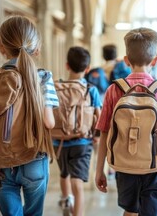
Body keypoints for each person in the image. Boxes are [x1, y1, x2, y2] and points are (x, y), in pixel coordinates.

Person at [95, 27, 157, 216]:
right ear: (155, 60)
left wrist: (99, 171)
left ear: (126, 61)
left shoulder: (115, 90)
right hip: (156, 165)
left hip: (124, 165)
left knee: (130, 210)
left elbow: (104, 132)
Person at [0, 16, 58, 215]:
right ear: (36, 49)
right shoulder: (44, 77)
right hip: (34, 157)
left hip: (1, 160)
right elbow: (49, 122)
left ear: (1, 47)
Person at [53, 46, 102, 216]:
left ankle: (67, 199)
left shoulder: (55, 87)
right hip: (82, 141)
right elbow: (99, 117)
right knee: (78, 183)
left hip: (58, 141)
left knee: (64, 173)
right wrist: (97, 137)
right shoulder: (91, 90)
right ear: (87, 69)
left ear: (67, 66)